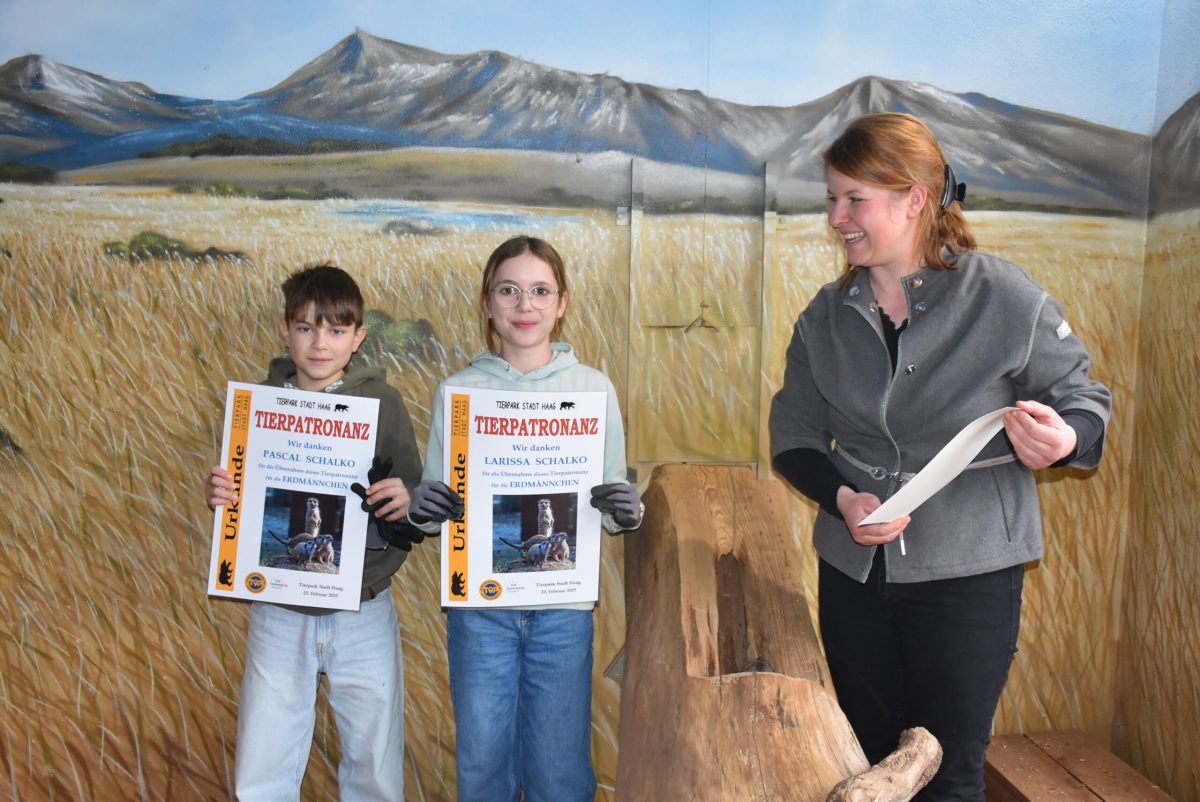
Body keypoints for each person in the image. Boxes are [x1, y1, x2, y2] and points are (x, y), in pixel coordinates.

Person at [768, 113, 1111, 802]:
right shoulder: (824, 317)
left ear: (913, 199)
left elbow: (1085, 401)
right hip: (854, 579)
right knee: (867, 765)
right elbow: (794, 438)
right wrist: (844, 500)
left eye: (853, 199)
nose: (837, 217)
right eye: (832, 199)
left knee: (948, 775)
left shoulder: (1004, 296)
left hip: (971, 582)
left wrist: (1065, 438)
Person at [405, 235, 643, 802]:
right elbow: (438, 505)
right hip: (480, 612)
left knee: (559, 770)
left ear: (562, 302)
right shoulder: (459, 392)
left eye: (539, 291)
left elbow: (612, 504)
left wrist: (628, 510)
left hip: (563, 611)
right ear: (488, 303)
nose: (524, 305)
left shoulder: (594, 389)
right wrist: (424, 507)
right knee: (483, 765)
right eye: (508, 291)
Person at [204, 264, 425, 801]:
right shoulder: (258, 406)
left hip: (364, 609)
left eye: (334, 330)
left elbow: (415, 498)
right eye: (305, 327)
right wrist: (223, 497)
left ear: (358, 337)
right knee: (265, 757)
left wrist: (407, 500)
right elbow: (243, 501)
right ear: (285, 331)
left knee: (374, 759)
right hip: (278, 609)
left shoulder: (384, 404)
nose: (319, 343)